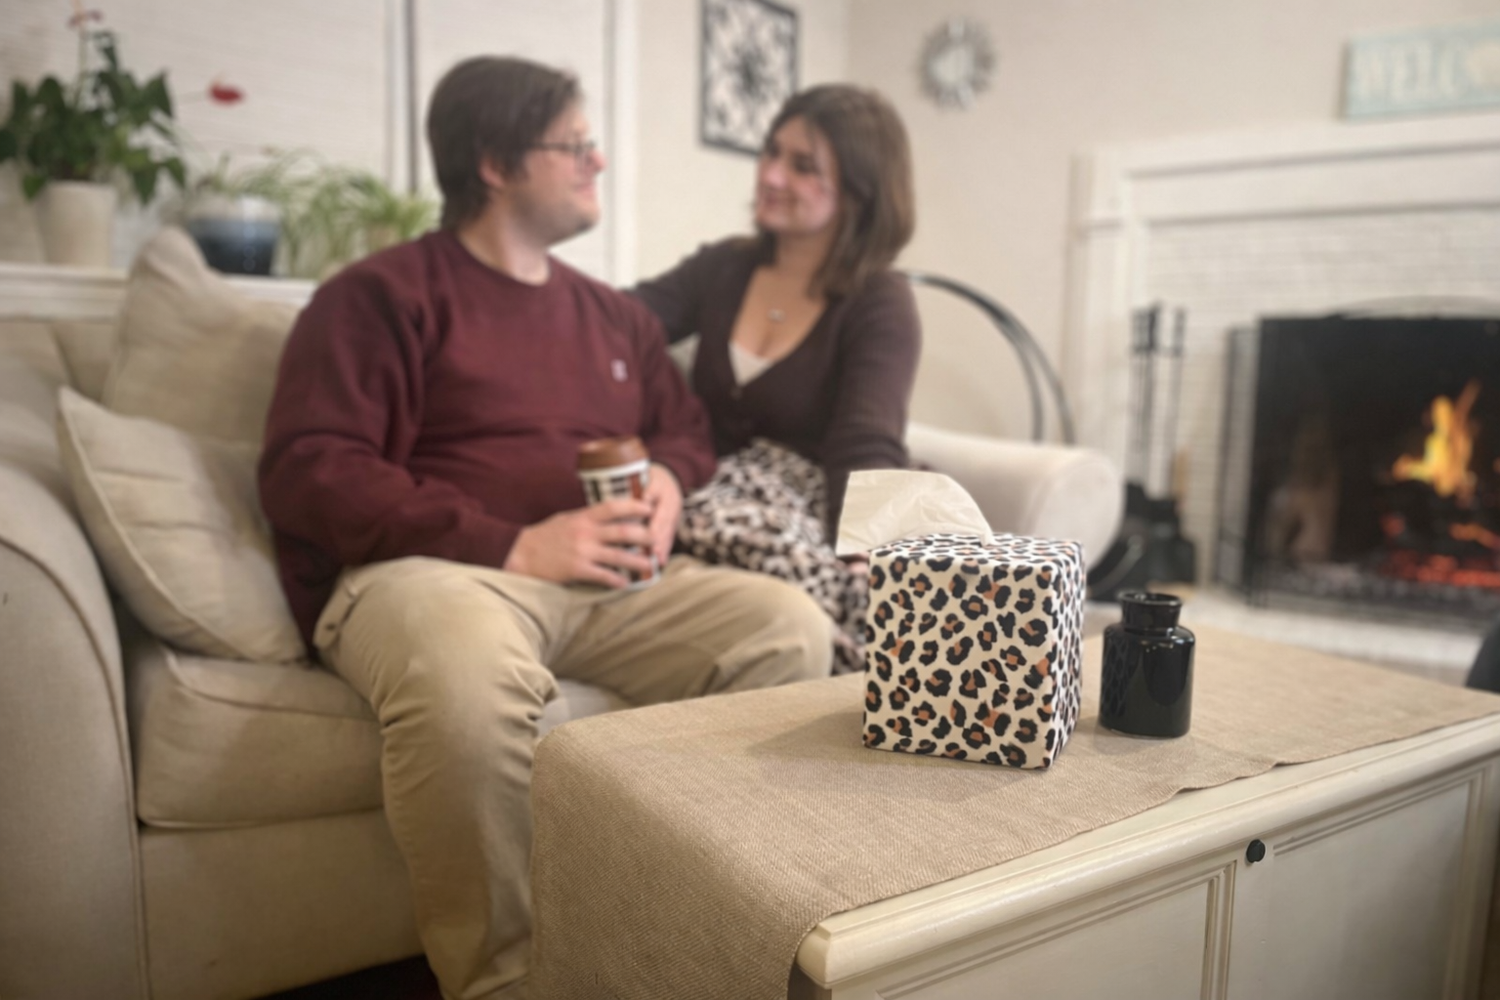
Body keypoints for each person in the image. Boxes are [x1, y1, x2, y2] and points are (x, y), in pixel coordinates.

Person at [257, 56, 832, 1000]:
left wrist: (671, 489)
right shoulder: (380, 295)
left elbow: (683, 431)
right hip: (437, 574)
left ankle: (690, 931)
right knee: (465, 677)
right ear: (494, 161)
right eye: (575, 145)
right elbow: (310, 468)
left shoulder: (613, 317)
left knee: (785, 629)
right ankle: (510, 982)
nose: (597, 163)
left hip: (612, 582)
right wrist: (515, 545)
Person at [631, 84, 920, 671]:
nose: (771, 175)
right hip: (714, 492)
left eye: (802, 165)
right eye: (771, 153)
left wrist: (863, 553)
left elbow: (865, 440)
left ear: (859, 194)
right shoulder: (725, 266)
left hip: (815, 504)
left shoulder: (880, 301)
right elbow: (622, 323)